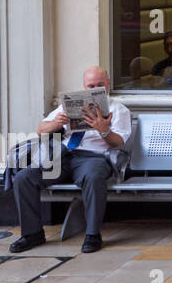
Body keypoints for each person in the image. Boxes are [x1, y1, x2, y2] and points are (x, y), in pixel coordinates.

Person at [10, 67, 133, 254]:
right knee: (24, 178)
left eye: (100, 85)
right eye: (91, 86)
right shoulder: (70, 105)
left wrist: (104, 130)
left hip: (94, 157)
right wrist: (56, 123)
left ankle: (93, 234)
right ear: (84, 86)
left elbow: (118, 142)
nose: (95, 89)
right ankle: (32, 233)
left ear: (108, 85)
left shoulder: (118, 109)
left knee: (93, 177)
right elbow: (41, 130)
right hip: (64, 155)